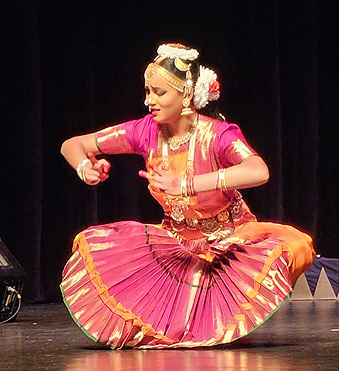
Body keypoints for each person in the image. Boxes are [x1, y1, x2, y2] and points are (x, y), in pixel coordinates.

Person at [59, 43, 315, 349]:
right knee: (93, 242)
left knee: (294, 245)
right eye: (148, 91)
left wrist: (188, 184)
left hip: (229, 241)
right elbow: (72, 144)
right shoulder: (145, 131)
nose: (148, 100)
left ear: (187, 95)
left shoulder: (218, 134)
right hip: (176, 242)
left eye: (158, 92)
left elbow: (258, 171)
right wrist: (85, 167)